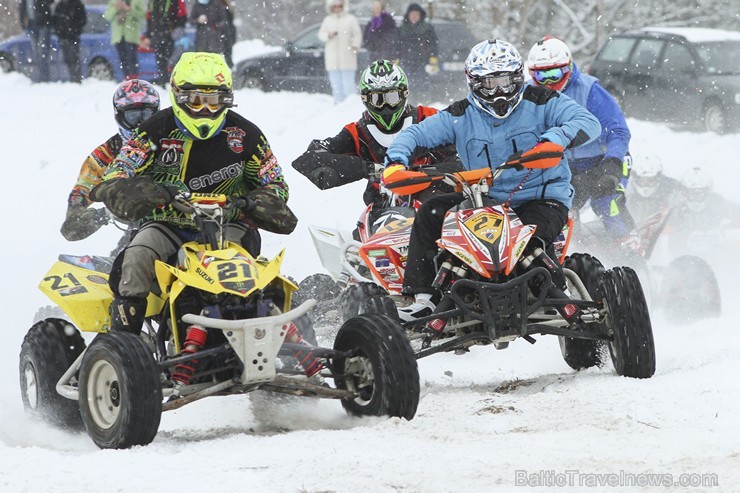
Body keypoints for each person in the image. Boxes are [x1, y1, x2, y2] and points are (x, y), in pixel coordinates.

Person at [384, 39, 601, 322]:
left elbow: (587, 122)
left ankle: (555, 294)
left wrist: (554, 140)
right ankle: (425, 298)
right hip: (485, 202)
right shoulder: (460, 115)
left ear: (518, 78)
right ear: (474, 83)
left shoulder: (542, 100)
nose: (499, 91)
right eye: (489, 83)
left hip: (543, 197)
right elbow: (414, 135)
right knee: (429, 213)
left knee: (528, 245)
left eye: (506, 81)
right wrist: (397, 161)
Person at [90, 52, 297, 335]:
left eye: (213, 101)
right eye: (196, 100)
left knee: (256, 280)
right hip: (167, 224)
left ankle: (268, 330)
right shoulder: (153, 131)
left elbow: (277, 186)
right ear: (179, 96)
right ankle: (125, 344)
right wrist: (154, 192)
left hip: (229, 226)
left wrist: (248, 202)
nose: (205, 110)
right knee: (136, 257)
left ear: (226, 99)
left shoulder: (247, 135)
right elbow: (117, 174)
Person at [292, 59, 456, 208]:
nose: (385, 106)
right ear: (365, 99)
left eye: (391, 97)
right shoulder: (357, 132)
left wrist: (428, 170)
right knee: (360, 235)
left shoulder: (429, 118)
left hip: (433, 197)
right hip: (382, 206)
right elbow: (310, 158)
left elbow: (468, 145)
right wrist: (367, 168)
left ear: (404, 94)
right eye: (377, 99)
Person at [528, 36, 634, 241]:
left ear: (567, 67)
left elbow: (618, 130)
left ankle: (629, 245)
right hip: (563, 167)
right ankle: (570, 256)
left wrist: (612, 163)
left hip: (602, 161)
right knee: (558, 213)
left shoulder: (590, 90)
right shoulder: (528, 95)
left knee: (606, 203)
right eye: (542, 76)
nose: (549, 83)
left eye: (554, 74)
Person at [61, 79, 161, 244]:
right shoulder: (105, 155)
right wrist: (105, 213)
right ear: (120, 116)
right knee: (123, 261)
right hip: (140, 229)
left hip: (188, 218)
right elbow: (72, 223)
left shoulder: (172, 138)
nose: (140, 123)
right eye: (133, 116)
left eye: (147, 115)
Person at [318, 0, 362, 103]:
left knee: (348, 85)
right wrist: (328, 35)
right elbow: (321, 34)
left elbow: (357, 34)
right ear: (331, 7)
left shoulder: (350, 19)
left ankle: (350, 105)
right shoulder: (327, 20)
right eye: (335, 6)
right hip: (332, 59)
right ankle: (338, 105)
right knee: (336, 86)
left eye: (340, 6)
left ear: (343, 6)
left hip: (347, 57)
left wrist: (355, 45)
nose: (337, 8)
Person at [625, 154, 681, 225]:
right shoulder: (627, 189)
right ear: (635, 178)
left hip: (663, 229)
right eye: (642, 180)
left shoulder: (668, 185)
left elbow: (681, 187)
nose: (646, 184)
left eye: (650, 180)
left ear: (658, 178)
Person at [142, 0, 188, 85]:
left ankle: (171, 81)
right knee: (160, 60)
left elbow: (183, 17)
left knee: (171, 60)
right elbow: (149, 20)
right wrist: (148, 36)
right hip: (157, 36)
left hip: (171, 37)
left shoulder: (175, 1)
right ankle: (163, 81)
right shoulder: (152, 2)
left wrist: (175, 29)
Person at [397, 3, 439, 95]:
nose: (414, 16)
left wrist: (432, 59)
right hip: (406, 63)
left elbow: (433, 45)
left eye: (416, 14)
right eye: (412, 14)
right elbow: (397, 46)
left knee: (422, 88)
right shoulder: (402, 29)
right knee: (406, 88)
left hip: (423, 63)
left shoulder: (427, 28)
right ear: (408, 15)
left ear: (420, 15)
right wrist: (397, 59)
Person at [104, 0, 147, 81]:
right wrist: (116, 8)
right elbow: (107, 16)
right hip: (118, 36)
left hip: (131, 36)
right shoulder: (114, 1)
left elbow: (143, 15)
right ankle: (126, 79)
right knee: (122, 59)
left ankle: (134, 79)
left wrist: (130, 10)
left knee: (132, 59)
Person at [51, 0, 86, 83]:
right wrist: (59, 31)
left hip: (73, 36)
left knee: (74, 57)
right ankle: (72, 77)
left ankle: (76, 78)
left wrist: (74, 30)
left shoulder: (77, 4)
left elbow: (82, 20)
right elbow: (55, 20)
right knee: (67, 58)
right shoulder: (60, 5)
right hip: (63, 36)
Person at [19, 0, 54, 82]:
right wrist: (24, 25)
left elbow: (50, 2)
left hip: (43, 25)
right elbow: (22, 10)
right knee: (36, 54)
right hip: (31, 26)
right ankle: (41, 78)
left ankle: (44, 78)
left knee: (42, 53)